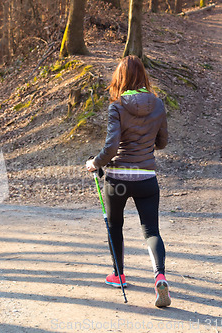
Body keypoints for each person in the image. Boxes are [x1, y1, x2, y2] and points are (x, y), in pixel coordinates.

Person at [85, 55, 170, 308]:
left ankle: (118, 275)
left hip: (118, 180)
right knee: (151, 231)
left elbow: (111, 148)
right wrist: (145, 143)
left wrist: (94, 163)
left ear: (120, 78)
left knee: (115, 227)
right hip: (146, 179)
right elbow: (163, 142)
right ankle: (160, 278)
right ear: (143, 76)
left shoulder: (117, 106)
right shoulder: (158, 104)